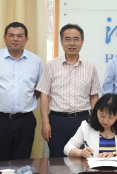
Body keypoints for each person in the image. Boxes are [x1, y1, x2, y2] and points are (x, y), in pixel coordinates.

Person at [0, 22, 42, 162]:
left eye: (20, 36)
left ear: (26, 39)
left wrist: (27, 102)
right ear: (5, 38)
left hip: (25, 120)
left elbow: (39, 88)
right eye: (11, 35)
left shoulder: (36, 61)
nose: (15, 39)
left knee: (22, 163)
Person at [37, 24, 101, 158]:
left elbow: (94, 97)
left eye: (76, 39)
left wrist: (96, 121)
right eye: (67, 39)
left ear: (82, 42)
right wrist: (46, 123)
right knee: (57, 160)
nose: (72, 43)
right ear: (61, 41)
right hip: (57, 121)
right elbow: (44, 96)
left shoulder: (90, 67)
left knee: (83, 158)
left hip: (83, 120)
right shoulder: (51, 66)